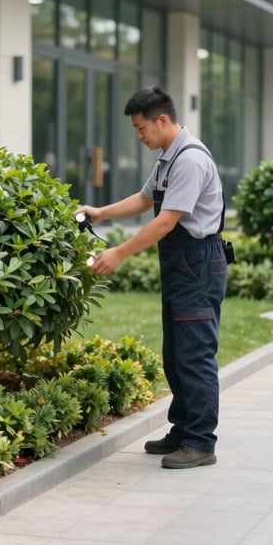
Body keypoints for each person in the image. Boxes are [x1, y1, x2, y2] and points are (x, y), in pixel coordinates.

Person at [79, 86, 228, 469]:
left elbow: (164, 221)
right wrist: (100, 213)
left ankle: (201, 442)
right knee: (176, 354)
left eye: (141, 127)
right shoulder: (168, 158)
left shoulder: (190, 160)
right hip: (182, 265)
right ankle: (182, 430)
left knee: (195, 356)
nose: (139, 136)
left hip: (197, 263)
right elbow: (145, 200)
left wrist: (119, 252)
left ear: (163, 120)